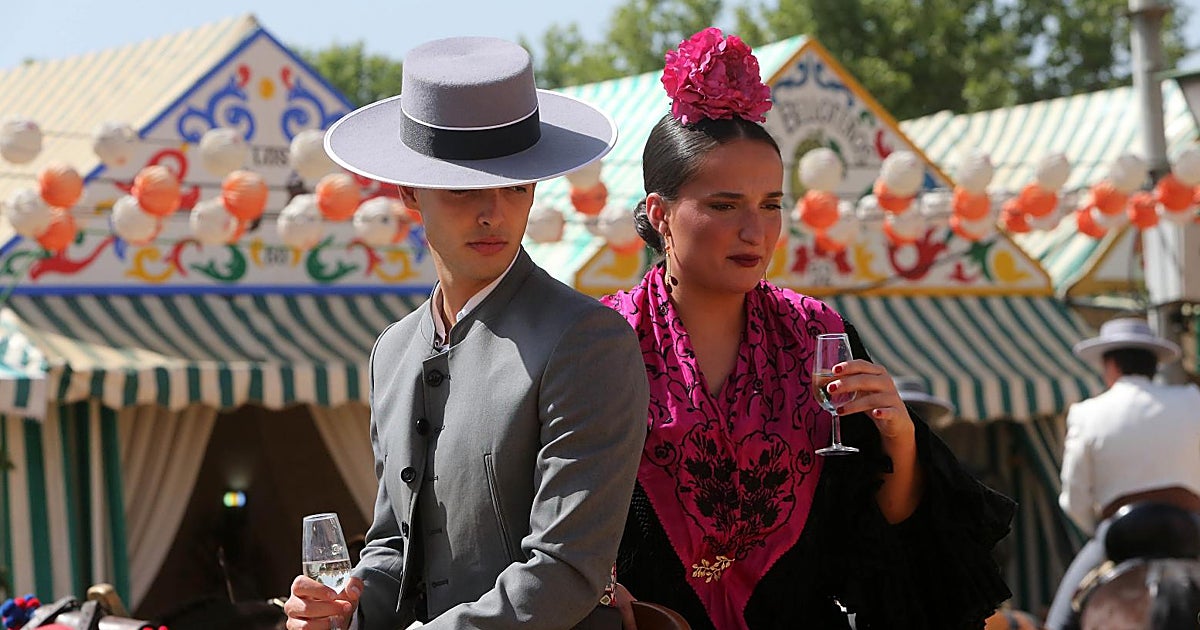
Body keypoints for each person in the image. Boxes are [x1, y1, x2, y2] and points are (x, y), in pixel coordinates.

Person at [602, 27, 1015, 630]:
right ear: (660, 213)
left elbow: (882, 533)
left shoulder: (815, 330)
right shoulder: (606, 338)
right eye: (724, 205)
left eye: (771, 204)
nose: (755, 231)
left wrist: (899, 438)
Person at [283, 36, 649, 630]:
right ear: (408, 193)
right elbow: (392, 550)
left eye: (515, 186)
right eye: (462, 188)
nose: (492, 212)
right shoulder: (393, 350)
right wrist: (341, 611)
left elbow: (566, 570)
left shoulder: (587, 340)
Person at [1046, 317, 1200, 629]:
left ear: (1111, 365)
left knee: (1058, 623)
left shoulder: (1087, 413)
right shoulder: (1192, 400)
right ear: (1154, 364)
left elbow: (1074, 499)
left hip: (1121, 532)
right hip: (1191, 528)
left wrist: (1102, 530)